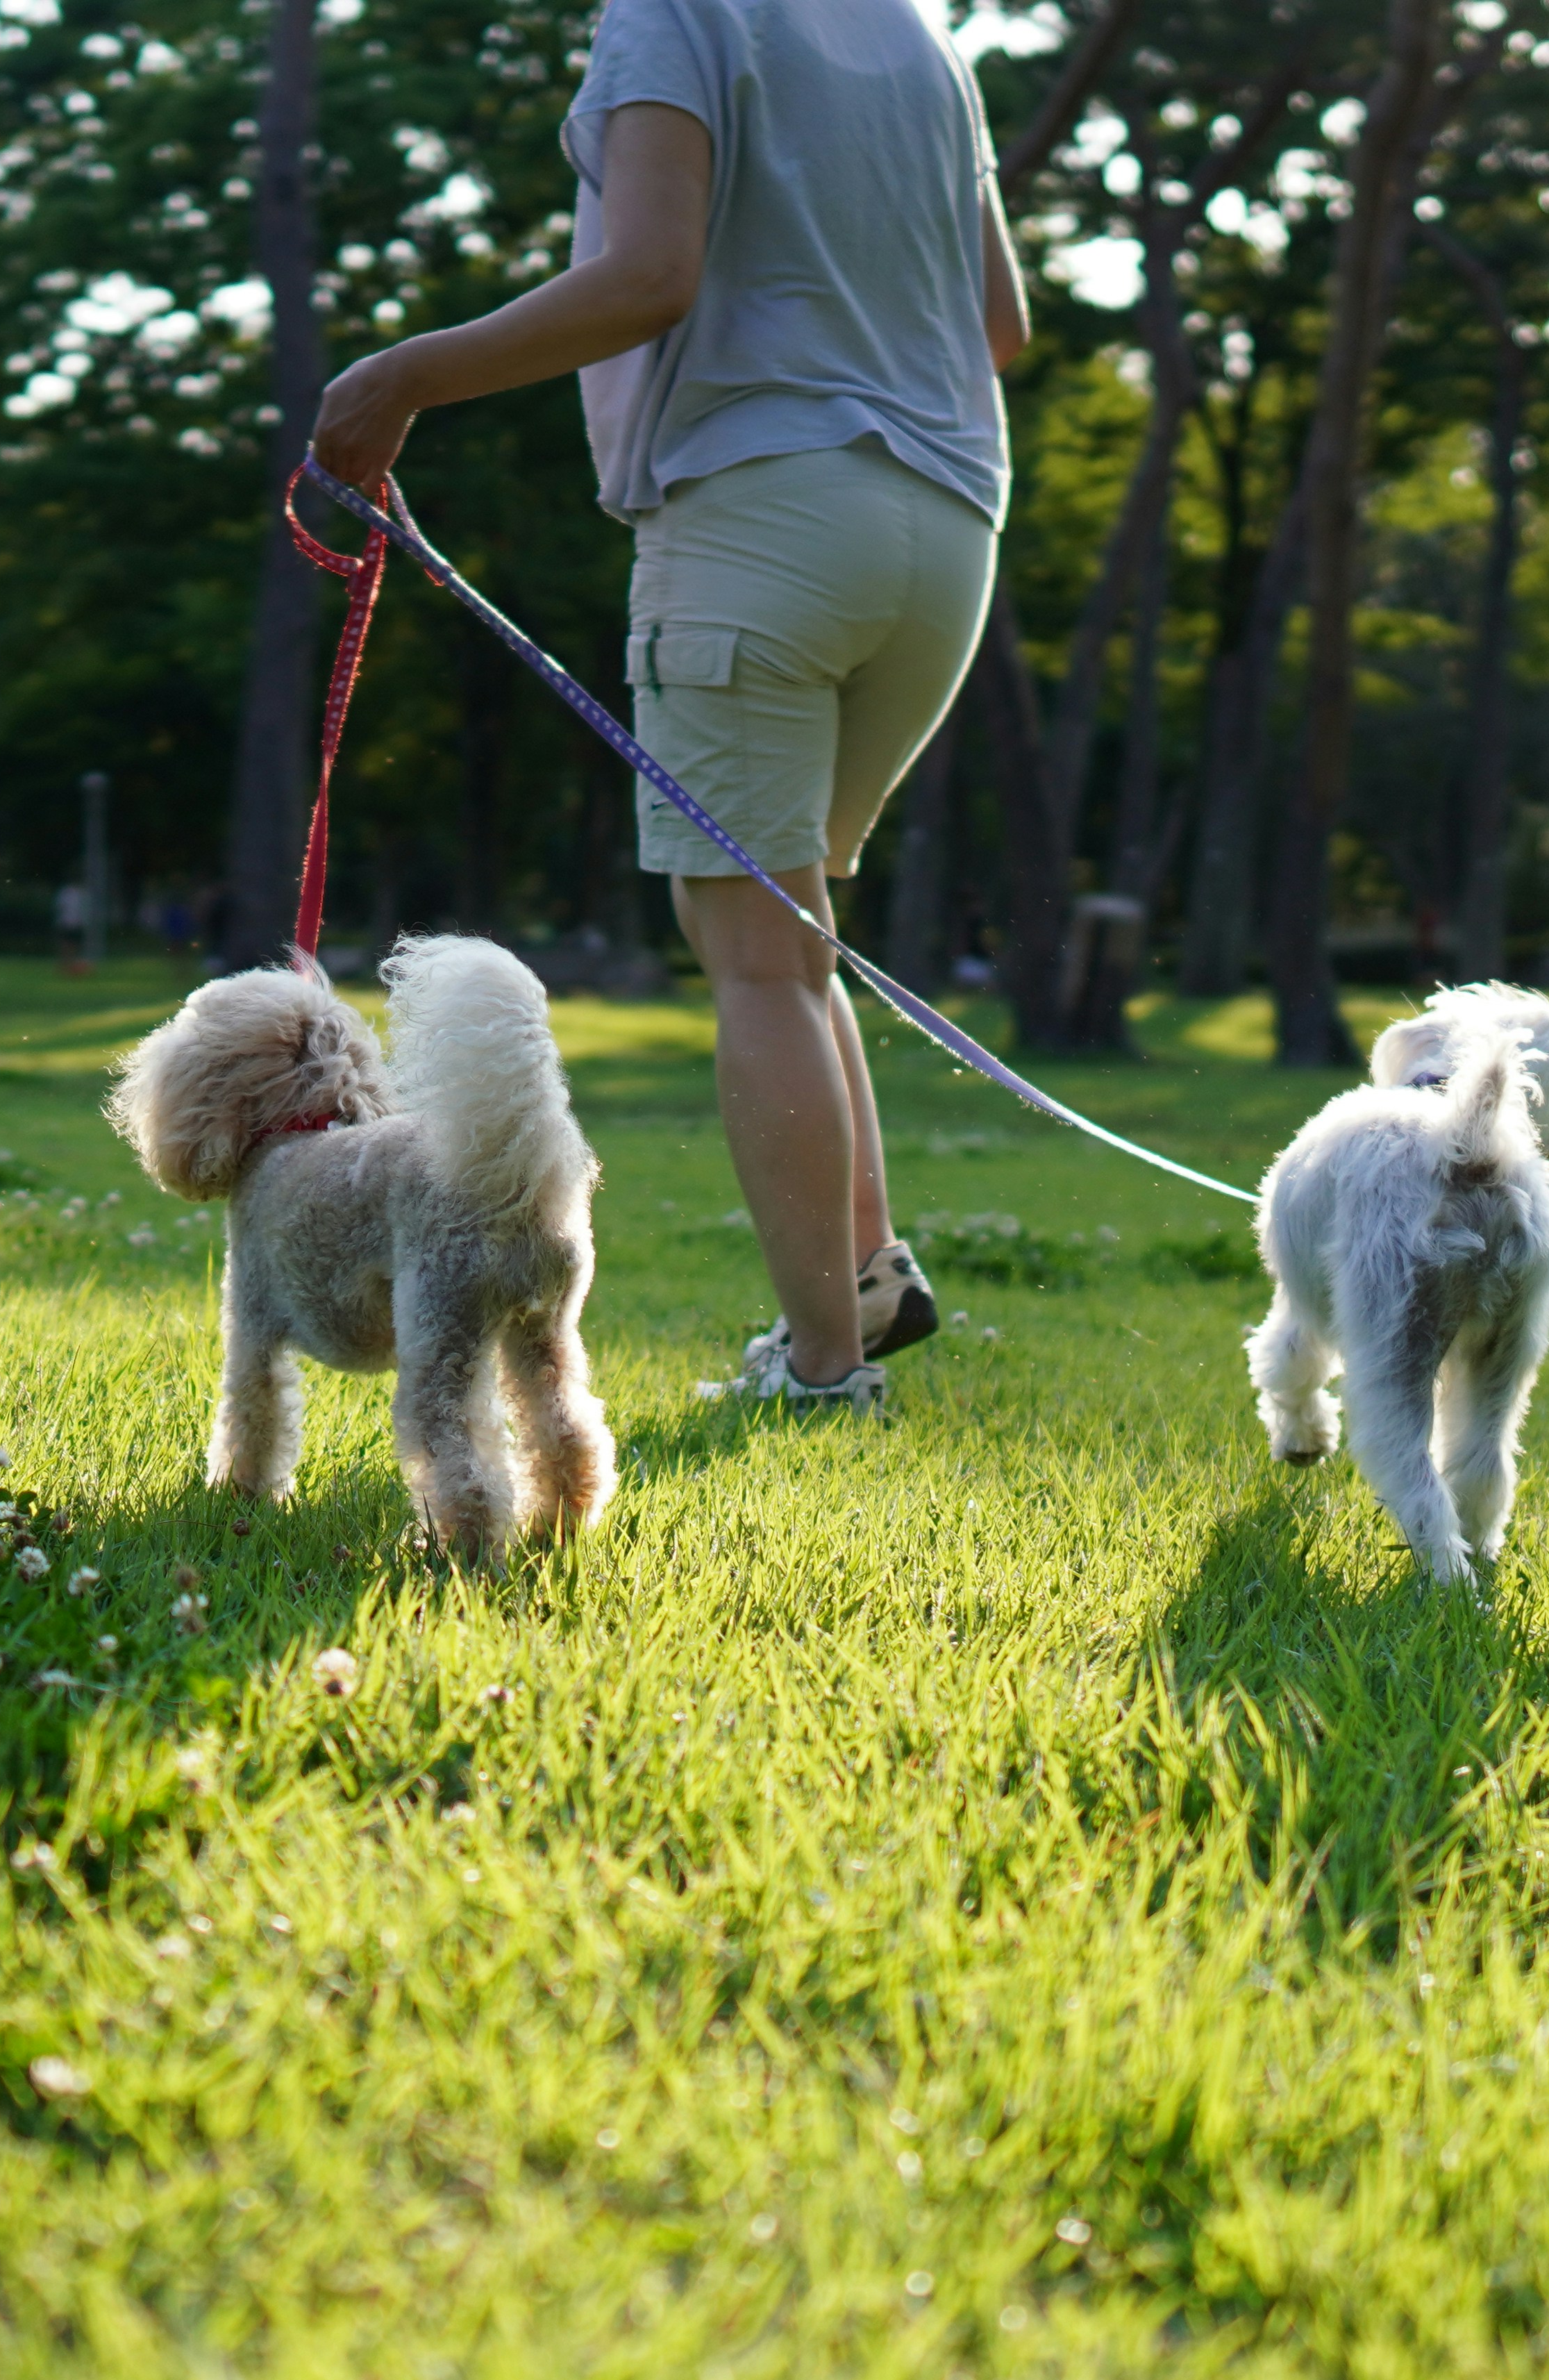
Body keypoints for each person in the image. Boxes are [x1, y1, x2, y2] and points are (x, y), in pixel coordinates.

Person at [312, 0, 1026, 1413]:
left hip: (763, 512)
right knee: (797, 936)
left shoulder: (674, 11)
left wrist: (396, 378)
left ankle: (820, 1368)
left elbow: (649, 274)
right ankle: (868, 1284)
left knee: (758, 954)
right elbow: (1000, 326)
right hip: (947, 527)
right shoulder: (927, 41)